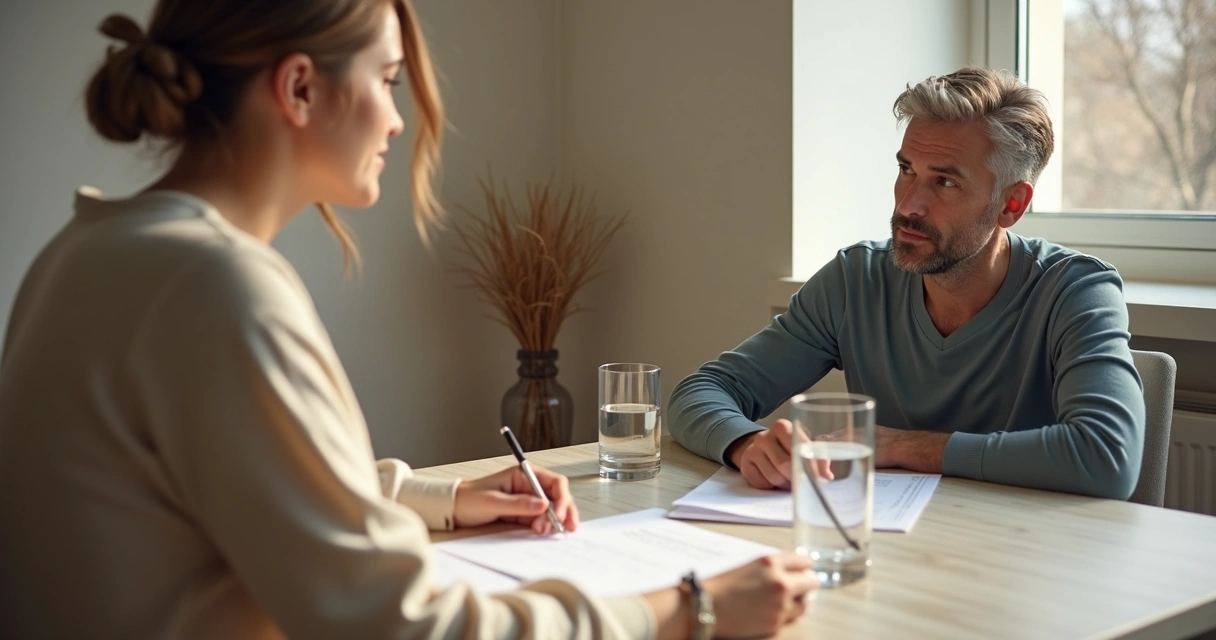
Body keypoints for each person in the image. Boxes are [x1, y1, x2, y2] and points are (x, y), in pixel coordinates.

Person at [0, 1, 815, 638]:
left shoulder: (89, 251)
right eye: (387, 81)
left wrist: (438, 497)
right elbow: (405, 624)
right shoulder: (215, 287)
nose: (397, 119)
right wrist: (683, 611)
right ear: (299, 88)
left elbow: (213, 490)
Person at [669, 67, 1146, 501]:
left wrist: (902, 446)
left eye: (945, 182)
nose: (908, 206)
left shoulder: (1077, 291)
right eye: (906, 170)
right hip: (888, 554)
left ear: (1011, 205)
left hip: (1025, 566)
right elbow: (701, 391)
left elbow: (1108, 457)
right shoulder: (857, 279)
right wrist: (747, 443)